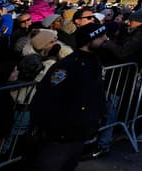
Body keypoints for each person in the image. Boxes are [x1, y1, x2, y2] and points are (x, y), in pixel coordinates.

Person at [29, 22, 109, 171]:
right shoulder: (67, 66)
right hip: (62, 135)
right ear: (88, 40)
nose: (106, 39)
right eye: (100, 36)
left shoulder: (94, 62)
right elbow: (47, 98)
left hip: (81, 131)